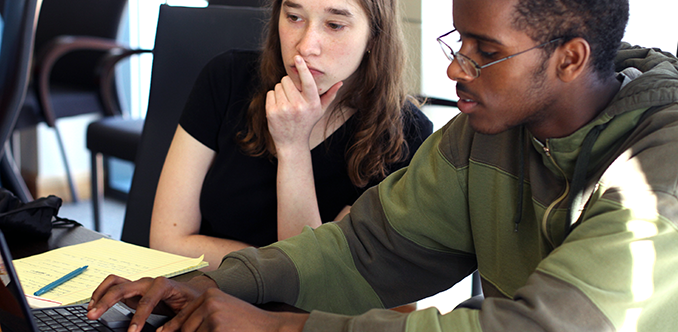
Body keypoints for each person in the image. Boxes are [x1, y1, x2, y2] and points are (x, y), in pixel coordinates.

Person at [88, 0, 678, 330]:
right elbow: (360, 250)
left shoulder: (661, 175)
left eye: (487, 54)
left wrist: (274, 328)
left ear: (570, 59)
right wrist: (204, 285)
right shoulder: (482, 138)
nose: (455, 70)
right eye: (460, 43)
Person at [148, 0, 433, 269]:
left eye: (334, 25)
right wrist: (276, 267)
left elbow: (312, 277)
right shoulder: (227, 78)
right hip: (201, 295)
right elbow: (165, 242)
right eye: (294, 17)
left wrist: (293, 146)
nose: (305, 47)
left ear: (374, 35)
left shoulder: (406, 134)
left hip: (299, 320)